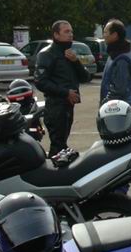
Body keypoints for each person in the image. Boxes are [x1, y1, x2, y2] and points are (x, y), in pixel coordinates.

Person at [35, 20, 92, 156]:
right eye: (66, 32)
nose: (70, 34)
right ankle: (54, 168)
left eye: (71, 31)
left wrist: (76, 61)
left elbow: (86, 77)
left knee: (62, 144)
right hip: (55, 107)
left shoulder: (69, 54)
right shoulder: (47, 54)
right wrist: (65, 92)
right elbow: (40, 81)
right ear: (56, 35)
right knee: (58, 146)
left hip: (68, 106)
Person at [100, 19, 131, 108]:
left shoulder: (122, 58)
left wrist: (105, 104)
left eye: (105, 32)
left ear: (114, 35)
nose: (103, 35)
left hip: (117, 108)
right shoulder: (115, 52)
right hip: (114, 107)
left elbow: (119, 89)